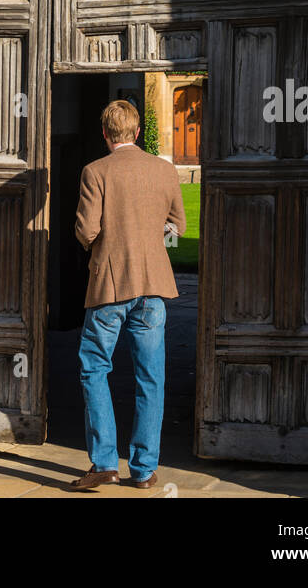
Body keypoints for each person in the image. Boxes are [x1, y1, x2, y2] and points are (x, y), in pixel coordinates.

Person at [69, 98, 186, 491]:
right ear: (137, 132)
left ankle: (104, 462)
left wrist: (104, 245)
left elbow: (86, 231)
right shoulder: (165, 169)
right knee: (150, 377)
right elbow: (178, 225)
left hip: (110, 284)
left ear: (105, 134)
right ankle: (144, 470)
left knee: (94, 368)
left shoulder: (95, 171)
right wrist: (150, 237)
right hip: (153, 286)